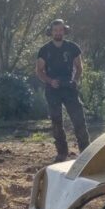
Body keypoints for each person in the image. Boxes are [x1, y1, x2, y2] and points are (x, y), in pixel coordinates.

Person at [35, 18, 90, 162]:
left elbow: (79, 67)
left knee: (79, 119)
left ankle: (86, 152)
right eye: (55, 30)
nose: (58, 32)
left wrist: (75, 81)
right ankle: (62, 153)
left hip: (69, 87)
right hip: (53, 89)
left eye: (60, 30)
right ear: (51, 32)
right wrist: (50, 81)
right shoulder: (44, 50)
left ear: (64, 30)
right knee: (56, 121)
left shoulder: (72, 47)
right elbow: (39, 71)